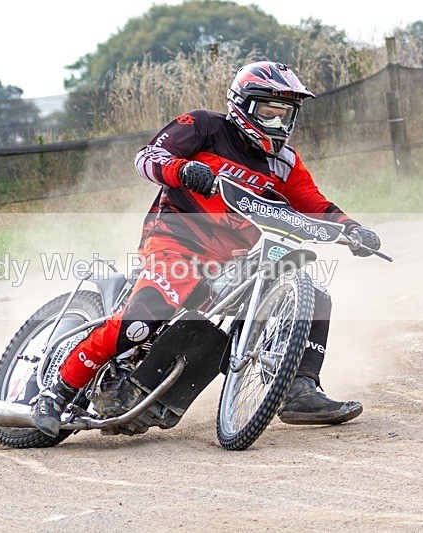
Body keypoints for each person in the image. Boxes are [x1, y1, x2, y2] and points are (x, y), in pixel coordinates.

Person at [32, 61, 381, 437]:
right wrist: (183, 170)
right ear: (243, 105)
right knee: (144, 317)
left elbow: (313, 202)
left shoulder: (284, 163)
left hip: (230, 259)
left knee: (312, 291)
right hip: (174, 239)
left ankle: (299, 390)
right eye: (269, 112)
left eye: (286, 115)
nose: (278, 124)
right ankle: (56, 393)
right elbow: (147, 158)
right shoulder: (204, 127)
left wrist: (353, 229)